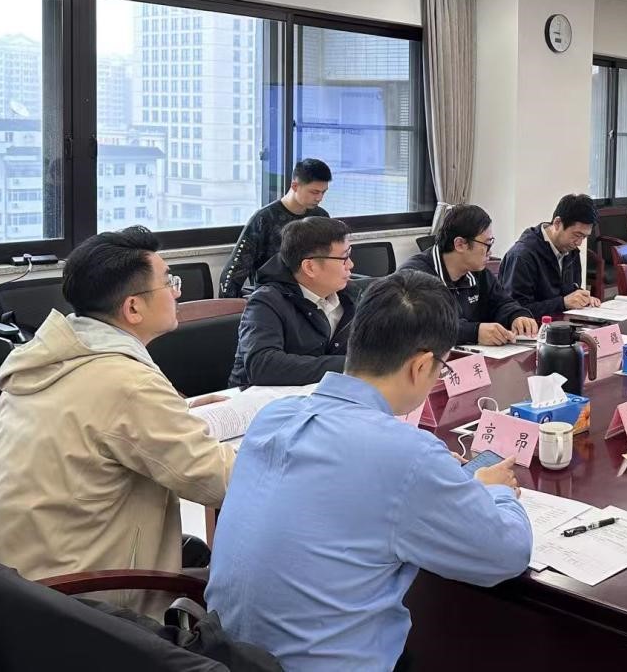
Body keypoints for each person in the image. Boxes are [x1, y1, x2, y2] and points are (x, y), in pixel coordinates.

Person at [206, 270, 531, 671]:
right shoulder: (408, 455)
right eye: (441, 369)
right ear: (421, 366)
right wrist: (494, 490)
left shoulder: (273, 417)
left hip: (221, 656)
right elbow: (507, 554)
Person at [0, 227, 233, 614]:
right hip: (88, 604)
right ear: (133, 308)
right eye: (169, 282)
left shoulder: (46, 359)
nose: (177, 293)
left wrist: (176, 411)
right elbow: (218, 481)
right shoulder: (127, 384)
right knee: (240, 589)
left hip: (22, 586)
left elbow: (96, 424)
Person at [229, 216, 357, 387]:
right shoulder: (266, 301)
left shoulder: (351, 297)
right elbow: (263, 366)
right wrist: (353, 365)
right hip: (258, 398)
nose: (351, 264)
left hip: (324, 393)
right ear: (310, 267)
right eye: (344, 258)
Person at [399, 204, 539, 345]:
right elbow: (426, 326)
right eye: (487, 244)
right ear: (460, 244)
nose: (490, 252)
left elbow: (501, 302)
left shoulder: (478, 271)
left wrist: (517, 316)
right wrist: (474, 332)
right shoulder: (414, 276)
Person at [218, 158, 332, 298]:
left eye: (323, 192)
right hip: (273, 297)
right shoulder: (264, 219)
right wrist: (229, 306)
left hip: (314, 295)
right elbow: (234, 272)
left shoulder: (321, 217)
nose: (319, 198)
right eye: (314, 192)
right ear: (295, 186)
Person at [500, 193, 600, 318]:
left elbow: (569, 291)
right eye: (576, 235)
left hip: (561, 323)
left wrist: (581, 297)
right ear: (557, 223)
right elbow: (515, 310)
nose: (579, 243)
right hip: (532, 327)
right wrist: (563, 303)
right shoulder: (522, 256)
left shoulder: (571, 250)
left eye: (584, 237)